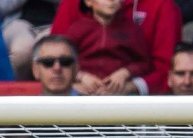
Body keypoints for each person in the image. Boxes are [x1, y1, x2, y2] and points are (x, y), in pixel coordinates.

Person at [51, 0, 181, 94]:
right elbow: (54, 57)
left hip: (127, 96)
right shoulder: (77, 25)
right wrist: (75, 81)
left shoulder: (133, 28)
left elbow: (159, 68)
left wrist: (128, 83)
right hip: (78, 90)